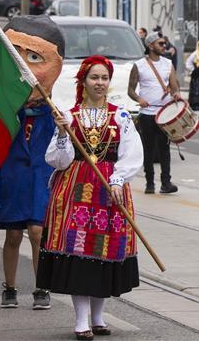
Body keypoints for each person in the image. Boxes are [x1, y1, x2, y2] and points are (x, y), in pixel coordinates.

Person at [38, 55, 143, 340]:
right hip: (76, 190)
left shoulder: (120, 116)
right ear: (83, 82)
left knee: (104, 251)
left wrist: (119, 178)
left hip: (109, 192)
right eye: (94, 78)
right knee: (80, 252)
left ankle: (98, 317)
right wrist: (62, 133)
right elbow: (58, 160)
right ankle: (81, 320)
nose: (100, 83)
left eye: (104, 78)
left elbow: (132, 154)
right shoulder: (69, 116)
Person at [0, 15, 65, 310]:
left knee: (38, 232)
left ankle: (42, 287)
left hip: (41, 178)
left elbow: (63, 151)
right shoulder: (4, 111)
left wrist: (63, 127)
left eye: (33, 56)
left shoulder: (53, 113)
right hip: (14, 178)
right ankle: (10, 286)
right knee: (14, 235)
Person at [128, 33, 182, 194]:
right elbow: (130, 89)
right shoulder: (139, 65)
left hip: (164, 115)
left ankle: (166, 183)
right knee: (148, 149)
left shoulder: (168, 64)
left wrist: (176, 93)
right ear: (151, 45)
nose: (164, 46)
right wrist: (139, 99)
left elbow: (174, 86)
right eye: (161, 44)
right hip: (147, 113)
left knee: (165, 149)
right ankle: (149, 183)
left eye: (164, 44)